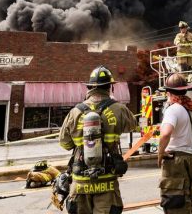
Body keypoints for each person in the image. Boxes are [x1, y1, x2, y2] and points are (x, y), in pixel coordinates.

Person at [59, 66, 137, 214]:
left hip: (80, 182)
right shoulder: (119, 109)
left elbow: (65, 144)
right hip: (107, 181)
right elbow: (132, 126)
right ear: (110, 87)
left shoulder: (75, 112)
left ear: (89, 88)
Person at [158, 73, 192, 214]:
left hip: (176, 160)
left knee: (174, 200)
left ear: (169, 93)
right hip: (191, 157)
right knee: (186, 197)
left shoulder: (173, 109)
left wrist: (160, 153)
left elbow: (165, 134)